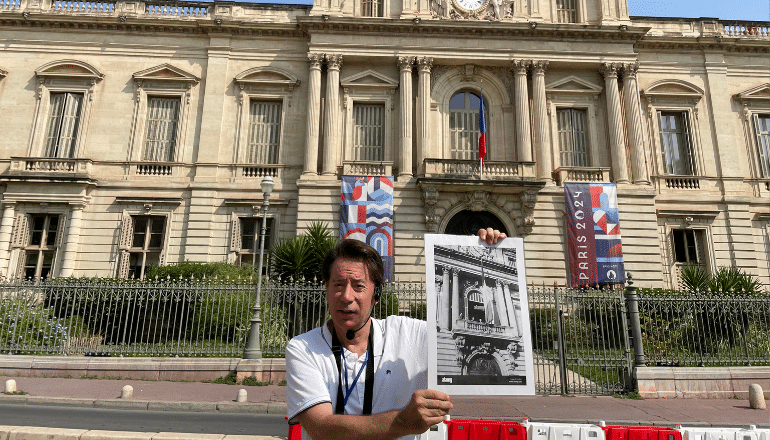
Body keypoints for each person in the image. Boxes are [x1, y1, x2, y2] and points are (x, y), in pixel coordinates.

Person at [286, 228, 506, 440]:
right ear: (326, 288)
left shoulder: (408, 334)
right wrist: (402, 422)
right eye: (338, 284)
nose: (346, 296)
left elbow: (464, 334)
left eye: (358, 286)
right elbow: (321, 428)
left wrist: (481, 252)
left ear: (377, 293)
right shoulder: (303, 348)